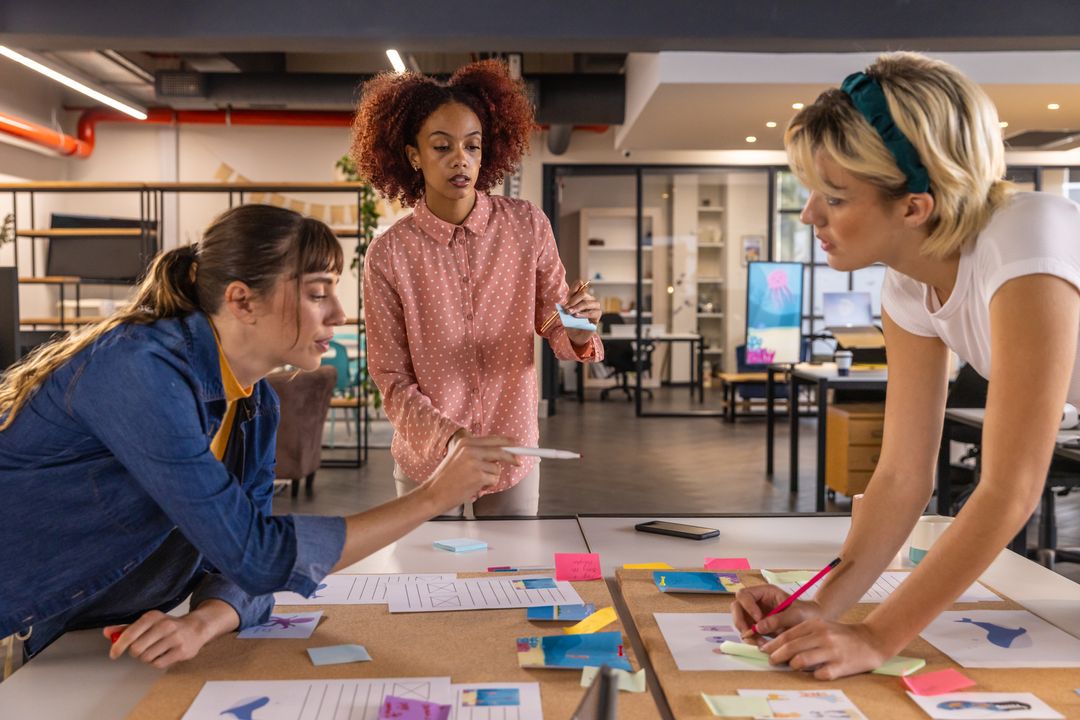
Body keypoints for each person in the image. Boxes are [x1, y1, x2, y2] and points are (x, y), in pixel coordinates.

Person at [0, 204, 517, 668]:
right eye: (318, 293)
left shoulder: (254, 403)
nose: (338, 313)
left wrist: (204, 621)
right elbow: (259, 554)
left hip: (101, 639)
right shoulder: (139, 372)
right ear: (243, 301)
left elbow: (245, 565)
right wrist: (433, 497)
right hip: (31, 627)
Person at [733, 52, 1080, 679]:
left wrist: (875, 637)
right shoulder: (907, 285)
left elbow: (1010, 487)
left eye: (834, 197)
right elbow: (899, 476)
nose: (810, 214)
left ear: (914, 207)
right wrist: (820, 606)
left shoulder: (1027, 237)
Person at [350, 59, 604, 517]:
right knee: (426, 583)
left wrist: (579, 331)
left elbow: (555, 320)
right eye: (442, 146)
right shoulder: (389, 255)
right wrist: (452, 438)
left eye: (472, 146)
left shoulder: (527, 225)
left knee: (510, 581)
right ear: (414, 156)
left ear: (486, 152)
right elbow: (390, 376)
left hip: (511, 454)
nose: (460, 159)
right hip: (429, 460)